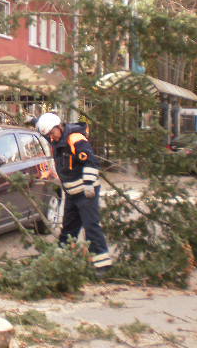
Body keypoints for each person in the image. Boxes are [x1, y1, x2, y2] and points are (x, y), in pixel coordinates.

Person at [36, 112, 113, 276]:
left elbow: (91, 162)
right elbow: (45, 132)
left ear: (59, 127)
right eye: (48, 135)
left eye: (52, 133)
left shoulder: (75, 139)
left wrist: (89, 185)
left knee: (91, 225)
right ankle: (61, 262)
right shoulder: (56, 137)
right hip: (71, 193)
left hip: (86, 192)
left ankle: (102, 265)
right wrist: (34, 121)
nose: (51, 138)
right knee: (69, 227)